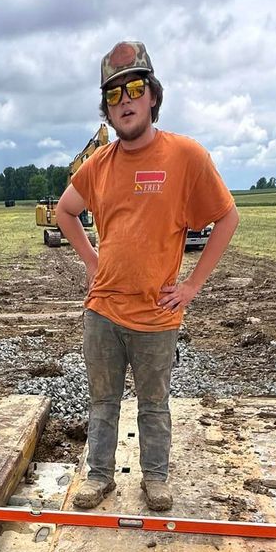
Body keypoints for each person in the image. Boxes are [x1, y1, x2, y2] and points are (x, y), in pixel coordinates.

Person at [56, 41, 239, 511]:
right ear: (107, 108)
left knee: (154, 405)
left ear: (153, 96)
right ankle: (99, 477)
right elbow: (65, 212)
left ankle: (155, 478)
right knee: (102, 401)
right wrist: (95, 264)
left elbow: (227, 217)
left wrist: (192, 285)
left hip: (157, 316)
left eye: (134, 89)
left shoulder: (185, 156)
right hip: (102, 313)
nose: (125, 101)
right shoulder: (98, 165)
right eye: (114, 95)